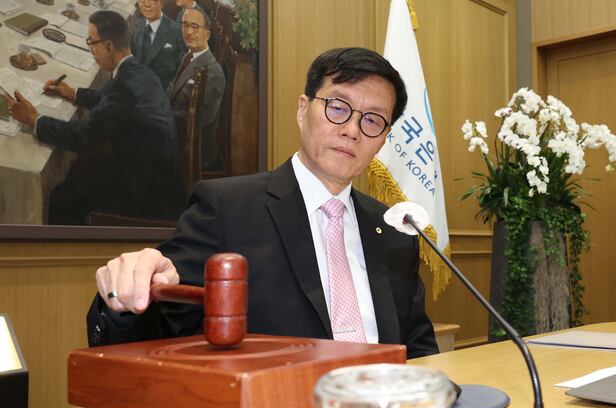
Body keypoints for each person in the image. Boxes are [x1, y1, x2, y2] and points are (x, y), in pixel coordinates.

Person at [87, 47, 439, 359]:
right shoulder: (226, 208)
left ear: (383, 139)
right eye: (337, 108)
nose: (352, 130)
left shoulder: (393, 229)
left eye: (372, 120)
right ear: (303, 110)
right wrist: (127, 296)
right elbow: (162, 326)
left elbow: (420, 350)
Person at [7, 10, 182, 224]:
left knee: (61, 196)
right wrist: (74, 93)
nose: (91, 50)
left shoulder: (122, 86)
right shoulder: (137, 70)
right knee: (77, 171)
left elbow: (80, 136)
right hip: (156, 171)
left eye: (91, 42)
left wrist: (34, 119)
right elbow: (112, 103)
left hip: (145, 190)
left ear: (108, 46)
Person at [168, 8, 225, 171]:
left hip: (194, 146)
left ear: (207, 34)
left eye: (195, 27)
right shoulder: (189, 56)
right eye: (185, 25)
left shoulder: (213, 72)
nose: (188, 32)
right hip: (177, 129)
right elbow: (173, 89)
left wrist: (163, 116)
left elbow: (203, 118)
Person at [132, 0, 186, 89]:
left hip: (163, 90)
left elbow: (182, 68)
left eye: (151, 1)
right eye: (142, 1)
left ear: (161, 3)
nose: (146, 5)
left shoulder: (177, 31)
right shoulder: (138, 24)